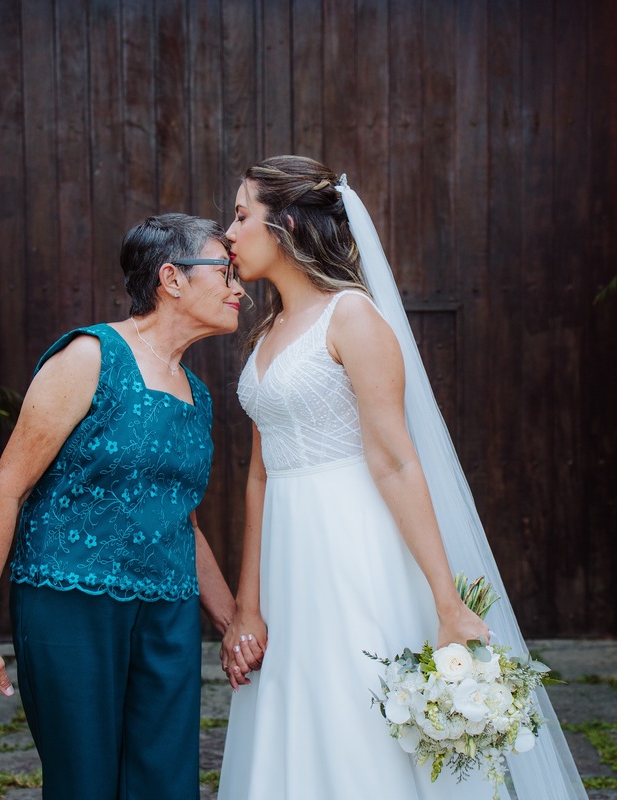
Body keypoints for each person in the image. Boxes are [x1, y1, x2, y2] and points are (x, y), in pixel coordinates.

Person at [216, 156, 587, 799]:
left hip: (353, 546)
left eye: (243, 214)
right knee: (294, 704)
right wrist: (248, 605)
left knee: (356, 703)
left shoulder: (353, 318)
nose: (228, 231)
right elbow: (259, 477)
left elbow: (395, 460)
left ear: (290, 227)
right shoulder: (268, 331)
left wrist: (447, 601)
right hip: (287, 558)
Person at [0, 213, 245, 800]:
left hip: (168, 615)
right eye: (225, 271)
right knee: (84, 783)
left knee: (166, 781)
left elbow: (182, 521)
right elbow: (7, 489)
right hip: (70, 606)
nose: (240, 288)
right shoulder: (91, 356)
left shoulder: (199, 394)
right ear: (172, 278)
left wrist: (233, 621)